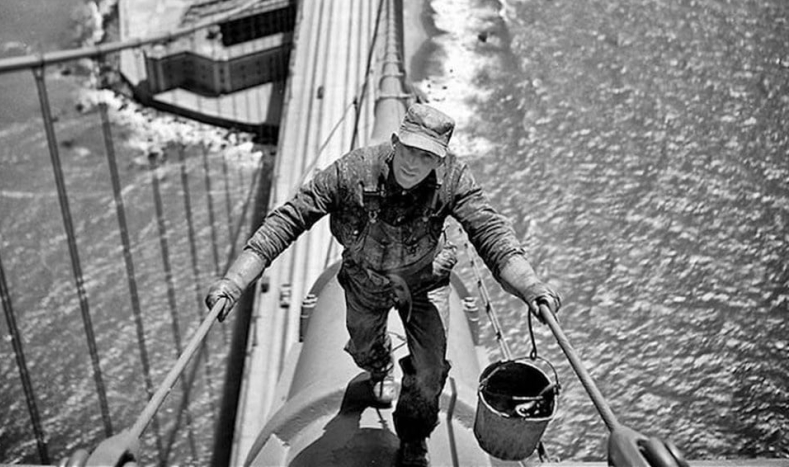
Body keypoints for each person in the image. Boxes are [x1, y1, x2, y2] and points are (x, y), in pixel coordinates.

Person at [206, 102, 560, 467]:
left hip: (425, 282)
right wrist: (235, 281)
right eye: (408, 150)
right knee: (362, 349)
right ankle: (378, 365)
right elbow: (289, 219)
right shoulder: (351, 172)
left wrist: (531, 287)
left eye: (426, 157)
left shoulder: (454, 179)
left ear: (440, 160)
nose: (413, 164)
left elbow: (490, 232)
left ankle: (413, 437)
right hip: (365, 280)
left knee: (430, 373)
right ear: (394, 142)